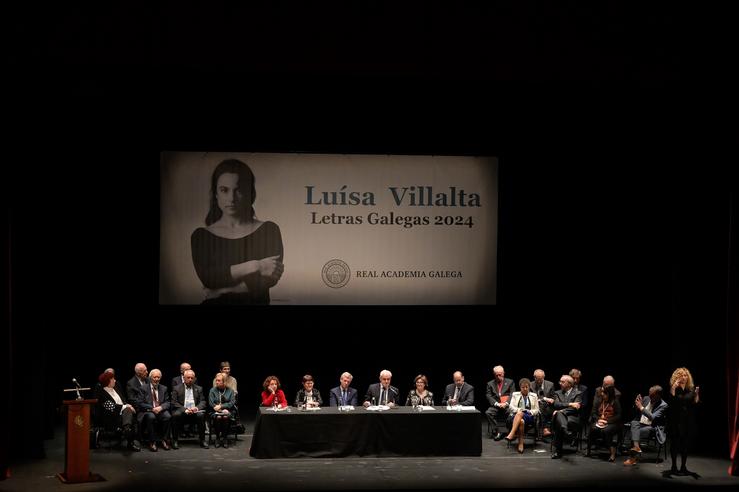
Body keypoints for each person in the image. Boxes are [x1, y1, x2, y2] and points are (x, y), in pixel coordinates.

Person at [191, 158, 284, 305]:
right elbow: (209, 278)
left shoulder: (269, 230)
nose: (231, 198)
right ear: (215, 194)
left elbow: (269, 278)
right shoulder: (201, 236)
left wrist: (222, 291)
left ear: (250, 192)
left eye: (238, 190)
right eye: (224, 190)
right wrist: (256, 266)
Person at [666, 367, 700, 476]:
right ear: (677, 377)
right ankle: (674, 466)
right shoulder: (674, 388)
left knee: (685, 445)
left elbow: (695, 403)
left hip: (687, 421)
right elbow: (671, 403)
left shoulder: (691, 389)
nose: (684, 377)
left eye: (685, 375)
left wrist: (696, 395)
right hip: (675, 420)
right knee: (674, 444)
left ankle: (683, 467)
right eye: (681, 375)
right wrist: (673, 389)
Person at [96, 370, 140, 451]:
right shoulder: (102, 393)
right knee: (128, 411)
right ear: (108, 381)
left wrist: (127, 405)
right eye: (113, 379)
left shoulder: (115, 388)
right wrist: (127, 406)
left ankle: (127, 429)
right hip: (111, 417)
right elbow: (111, 407)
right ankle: (129, 437)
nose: (115, 380)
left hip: (123, 414)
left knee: (128, 411)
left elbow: (123, 400)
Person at [624, 385, 668, 466]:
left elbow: (652, 417)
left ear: (658, 395)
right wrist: (636, 404)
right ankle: (636, 447)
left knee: (636, 432)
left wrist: (640, 406)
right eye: (649, 394)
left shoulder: (663, 405)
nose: (649, 396)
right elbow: (636, 412)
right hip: (641, 423)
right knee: (634, 423)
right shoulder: (647, 398)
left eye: (652, 395)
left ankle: (632, 458)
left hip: (653, 426)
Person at [171, 369, 208, 449]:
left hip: (194, 411)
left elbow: (203, 401)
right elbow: (174, 402)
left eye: (192, 378)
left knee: (201, 415)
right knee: (176, 415)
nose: (190, 379)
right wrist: (185, 409)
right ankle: (175, 440)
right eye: (188, 378)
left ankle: (202, 440)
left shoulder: (199, 388)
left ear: (194, 379)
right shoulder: (176, 388)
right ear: (184, 378)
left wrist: (196, 408)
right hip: (183, 411)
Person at [137, 369, 172, 452]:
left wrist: (161, 407)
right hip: (148, 410)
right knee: (151, 417)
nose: (156, 379)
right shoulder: (143, 388)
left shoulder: (164, 388)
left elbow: (168, 402)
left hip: (160, 410)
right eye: (154, 377)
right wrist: (152, 408)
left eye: (158, 377)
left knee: (168, 416)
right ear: (150, 378)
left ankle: (165, 440)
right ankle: (152, 441)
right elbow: (140, 403)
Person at [586, 385, 622, 462]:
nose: (602, 394)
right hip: (600, 421)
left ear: (609, 394)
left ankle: (612, 453)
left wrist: (607, 421)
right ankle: (588, 449)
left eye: (605, 393)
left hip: (612, 423)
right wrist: (599, 420)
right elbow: (594, 413)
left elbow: (618, 415)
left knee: (606, 431)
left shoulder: (615, 402)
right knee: (593, 428)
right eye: (602, 392)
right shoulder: (599, 401)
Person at [504, 378, 540, 453]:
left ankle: (512, 434)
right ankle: (520, 444)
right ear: (520, 387)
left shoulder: (534, 396)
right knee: (521, 421)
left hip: (529, 416)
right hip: (516, 416)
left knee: (521, 414)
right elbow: (511, 407)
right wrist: (519, 410)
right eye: (523, 387)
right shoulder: (515, 394)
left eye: (526, 387)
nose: (525, 389)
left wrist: (529, 412)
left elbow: (537, 409)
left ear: (529, 387)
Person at [551, 375, 583, 459]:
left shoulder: (578, 393)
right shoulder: (557, 393)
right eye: (560, 381)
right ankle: (565, 431)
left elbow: (575, 409)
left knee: (559, 418)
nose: (560, 383)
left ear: (569, 384)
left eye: (562, 382)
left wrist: (562, 411)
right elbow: (556, 404)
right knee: (559, 420)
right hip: (560, 418)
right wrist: (569, 404)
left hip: (572, 418)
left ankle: (558, 452)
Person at [485, 365, 515, 440]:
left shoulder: (510, 382)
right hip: (496, 405)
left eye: (500, 374)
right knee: (488, 413)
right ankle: (497, 431)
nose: (498, 377)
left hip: (507, 405)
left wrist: (506, 403)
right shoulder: (490, 384)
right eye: (496, 375)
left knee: (512, 413)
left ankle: (510, 432)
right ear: (494, 374)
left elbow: (512, 394)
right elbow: (488, 395)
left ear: (503, 373)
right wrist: (497, 404)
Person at [209, 372, 236, 448]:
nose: (216, 382)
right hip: (215, 411)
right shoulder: (212, 390)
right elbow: (211, 403)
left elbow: (231, 403)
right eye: (216, 380)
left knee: (225, 417)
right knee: (218, 417)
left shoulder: (230, 391)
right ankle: (217, 437)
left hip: (228, 411)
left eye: (219, 380)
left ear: (224, 382)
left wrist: (221, 406)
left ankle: (224, 437)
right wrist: (218, 409)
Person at [531, 369, 555, 437]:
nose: (539, 381)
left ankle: (540, 431)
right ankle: (545, 428)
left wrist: (551, 400)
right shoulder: (530, 385)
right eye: (537, 379)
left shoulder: (550, 384)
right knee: (540, 406)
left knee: (542, 407)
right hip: (534, 406)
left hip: (548, 407)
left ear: (544, 377)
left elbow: (553, 397)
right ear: (534, 377)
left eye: (540, 379)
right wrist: (543, 399)